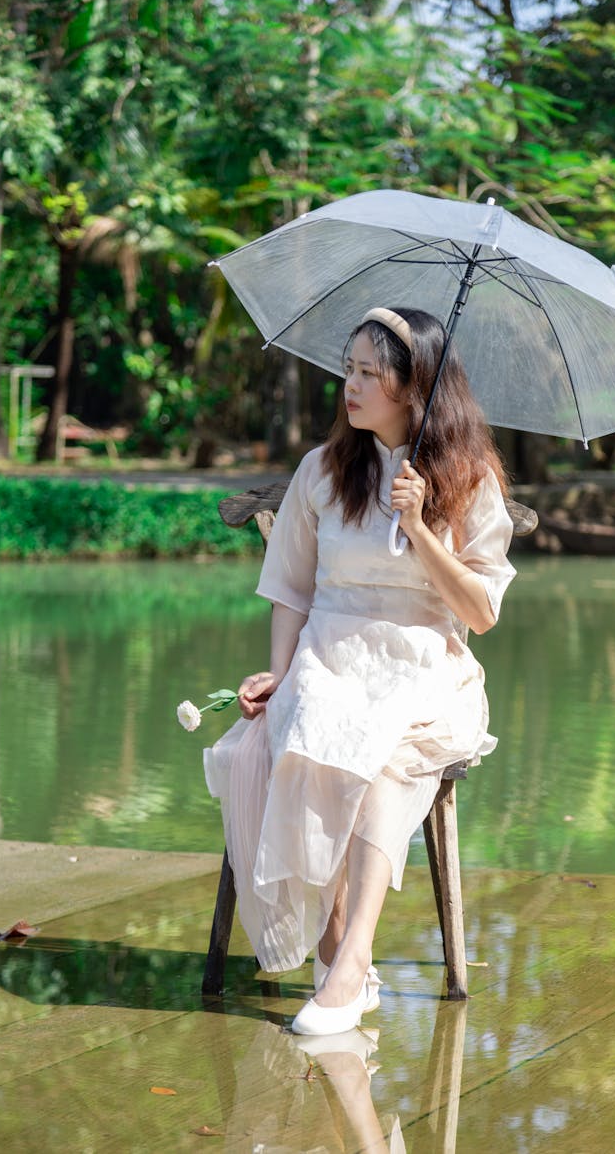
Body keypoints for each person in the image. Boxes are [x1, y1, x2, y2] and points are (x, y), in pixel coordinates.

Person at [203, 306, 516, 1037]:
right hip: (328, 653)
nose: (351, 384)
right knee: (306, 718)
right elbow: (290, 589)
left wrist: (418, 529)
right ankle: (332, 940)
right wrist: (280, 673)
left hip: (424, 664)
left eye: (371, 373)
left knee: (381, 755)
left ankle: (351, 965)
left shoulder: (469, 481)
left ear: (416, 387)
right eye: (349, 368)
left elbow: (480, 613)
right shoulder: (323, 469)